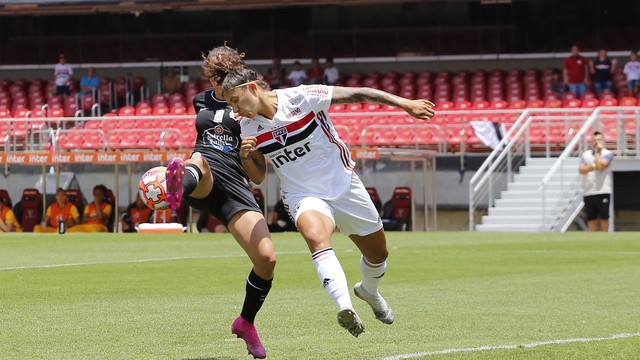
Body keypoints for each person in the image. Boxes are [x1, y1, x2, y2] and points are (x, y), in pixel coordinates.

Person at [222, 68, 435, 337]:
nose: (235, 108)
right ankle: (346, 308)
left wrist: (405, 104)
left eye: (235, 99)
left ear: (252, 89)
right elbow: (259, 177)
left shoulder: (302, 97)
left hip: (344, 185)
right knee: (316, 237)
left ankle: (368, 291)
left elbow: (359, 93)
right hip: (302, 195)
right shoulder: (247, 128)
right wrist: (245, 157)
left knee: (378, 254)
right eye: (230, 103)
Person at [163, 44, 276, 359]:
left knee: (266, 259)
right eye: (212, 77)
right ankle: (173, 190)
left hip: (236, 183)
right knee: (198, 159)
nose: (216, 83)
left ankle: (246, 323)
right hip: (204, 170)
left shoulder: (251, 105)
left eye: (222, 76)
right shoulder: (200, 100)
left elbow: (259, 176)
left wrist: (249, 152)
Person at [578, 131, 614, 232]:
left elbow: (602, 166)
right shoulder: (586, 155)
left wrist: (597, 153)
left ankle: (605, 240)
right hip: (589, 191)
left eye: (598, 140)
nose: (596, 142)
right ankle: (592, 241)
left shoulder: (607, 153)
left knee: (604, 218)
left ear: (603, 141)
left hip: (603, 190)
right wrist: (593, 166)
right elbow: (581, 169)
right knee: (591, 218)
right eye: (594, 140)